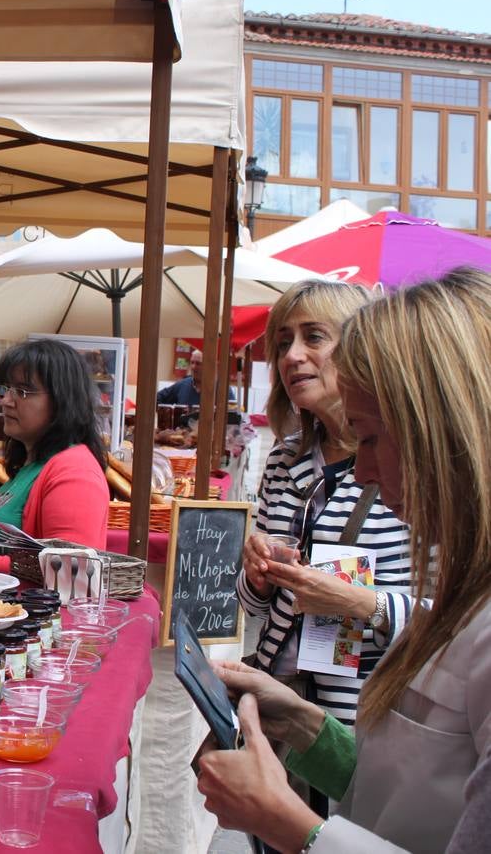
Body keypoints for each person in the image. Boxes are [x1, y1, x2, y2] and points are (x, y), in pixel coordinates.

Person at [198, 267, 491, 854]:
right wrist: (305, 725)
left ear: (444, 429)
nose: (362, 473)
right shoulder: (288, 461)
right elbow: (402, 793)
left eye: (374, 438)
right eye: (283, 341)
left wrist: (292, 826)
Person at [235, 280, 413, 730]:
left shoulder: (409, 462)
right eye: (282, 343)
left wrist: (361, 603)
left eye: (314, 337)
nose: (292, 356)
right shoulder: (282, 459)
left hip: (369, 717)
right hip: (280, 704)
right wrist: (257, 577)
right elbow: (254, 609)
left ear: (360, 349)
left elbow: (457, 621)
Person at [0, 339, 108, 572]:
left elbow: (68, 569)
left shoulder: (75, 471)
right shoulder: (32, 464)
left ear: (62, 399)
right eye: (7, 389)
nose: (6, 401)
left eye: (23, 391)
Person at [156, 348, 237, 407]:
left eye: (198, 364)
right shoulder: (182, 385)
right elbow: (157, 399)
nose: (193, 367)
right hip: (183, 430)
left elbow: (232, 416)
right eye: (192, 362)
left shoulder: (223, 390)